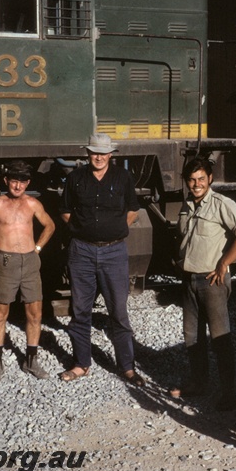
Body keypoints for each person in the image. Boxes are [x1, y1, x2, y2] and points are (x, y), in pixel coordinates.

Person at [58, 133, 145, 386]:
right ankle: (81, 363)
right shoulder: (75, 178)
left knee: (118, 311)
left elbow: (133, 209)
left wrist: (116, 228)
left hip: (114, 252)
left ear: (110, 155)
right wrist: (80, 229)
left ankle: (126, 367)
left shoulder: (123, 177)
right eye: (94, 152)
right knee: (80, 311)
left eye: (103, 152)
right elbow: (64, 211)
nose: (98, 156)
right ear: (87, 153)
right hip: (81, 252)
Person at [170, 157, 236, 411]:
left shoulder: (221, 204)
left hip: (211, 280)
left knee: (220, 339)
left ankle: (229, 393)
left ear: (210, 179)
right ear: (187, 182)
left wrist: (224, 263)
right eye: (192, 180)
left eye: (201, 179)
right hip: (189, 281)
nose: (196, 184)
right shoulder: (186, 206)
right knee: (192, 338)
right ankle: (199, 383)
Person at [0, 160, 56, 382]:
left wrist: (38, 248)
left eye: (22, 182)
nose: (18, 186)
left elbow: (50, 225)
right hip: (5, 262)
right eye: (14, 181)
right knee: (0, 313)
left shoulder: (33, 204)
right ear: (6, 181)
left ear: (28, 183)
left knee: (34, 314)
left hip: (30, 262)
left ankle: (31, 360)